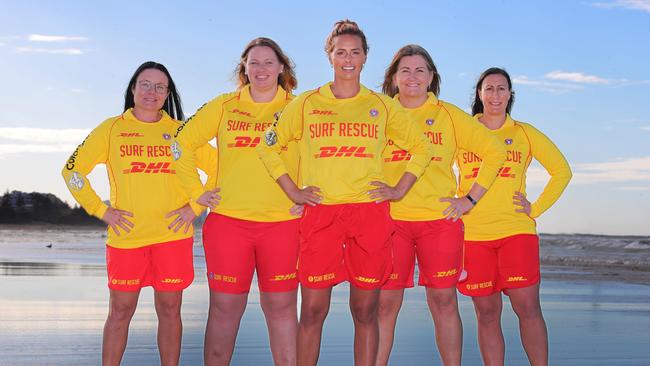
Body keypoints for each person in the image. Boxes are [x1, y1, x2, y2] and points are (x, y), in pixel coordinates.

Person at [258, 20, 435, 366]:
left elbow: (423, 149)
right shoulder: (307, 103)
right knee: (312, 311)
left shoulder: (382, 106)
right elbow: (269, 146)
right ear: (330, 56)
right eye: (341, 52)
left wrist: (399, 189)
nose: (348, 59)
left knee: (365, 311)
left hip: (369, 214)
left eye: (355, 52)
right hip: (321, 213)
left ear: (366, 57)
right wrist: (292, 190)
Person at [61, 61, 216, 366]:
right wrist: (100, 210)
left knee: (170, 310)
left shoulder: (181, 133)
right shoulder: (112, 129)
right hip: (126, 238)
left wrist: (194, 207)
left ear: (167, 93)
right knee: (120, 312)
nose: (152, 91)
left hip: (172, 237)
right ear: (133, 88)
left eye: (160, 86)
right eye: (145, 84)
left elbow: (219, 169)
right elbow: (71, 170)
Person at [173, 37, 300, 365]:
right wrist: (195, 192)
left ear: (281, 67)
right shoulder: (224, 105)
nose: (261, 69)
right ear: (244, 68)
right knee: (225, 309)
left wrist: (308, 194)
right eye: (254, 62)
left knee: (282, 309)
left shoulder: (298, 108)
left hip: (284, 225)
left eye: (268, 62)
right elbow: (180, 144)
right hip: (229, 225)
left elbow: (322, 158)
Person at [376, 45, 506, 366]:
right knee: (384, 305)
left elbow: (494, 152)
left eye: (421, 70)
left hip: (439, 221)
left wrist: (469, 199)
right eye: (405, 70)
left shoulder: (448, 115)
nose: (413, 77)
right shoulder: (378, 112)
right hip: (391, 221)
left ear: (432, 77)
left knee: (444, 302)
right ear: (393, 77)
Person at [457, 67, 572, 366]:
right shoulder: (462, 132)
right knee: (486, 313)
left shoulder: (524, 133)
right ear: (479, 94)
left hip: (515, 232)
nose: (495, 95)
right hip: (473, 235)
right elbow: (434, 166)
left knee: (528, 308)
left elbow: (562, 171)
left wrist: (535, 208)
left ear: (510, 95)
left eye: (501, 89)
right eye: (489, 89)